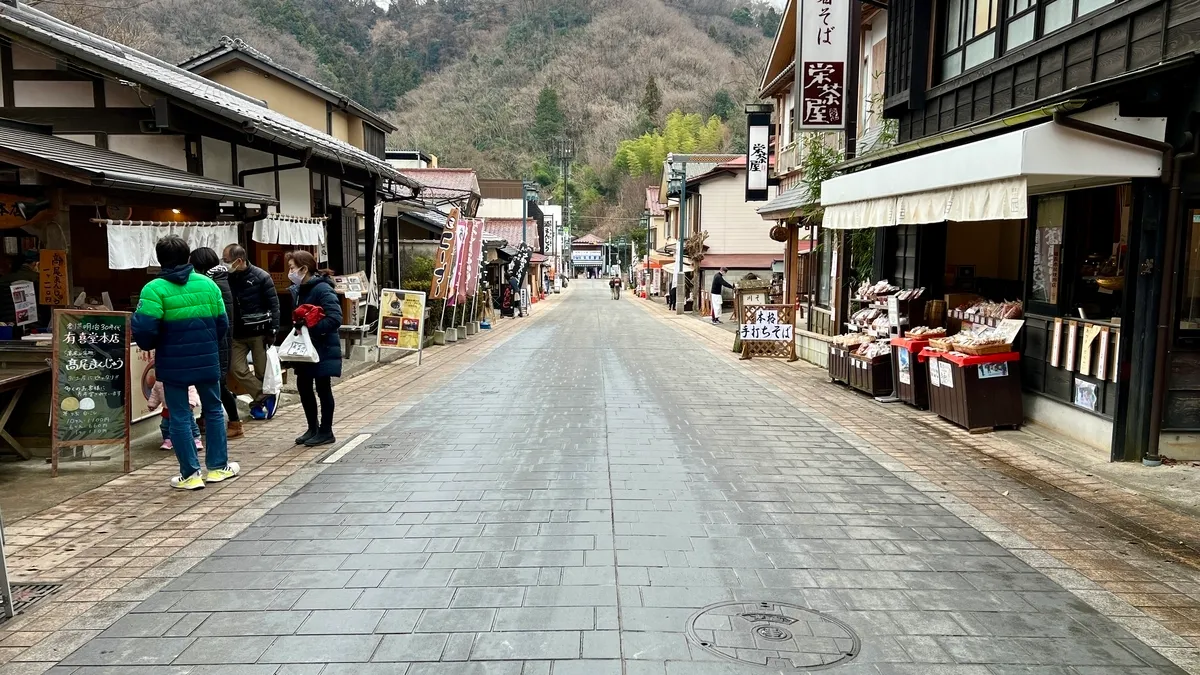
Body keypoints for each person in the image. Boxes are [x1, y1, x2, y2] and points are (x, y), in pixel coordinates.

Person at [133, 235, 238, 490]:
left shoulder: (153, 289)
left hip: (172, 362)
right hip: (206, 358)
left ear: (159, 259)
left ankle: (190, 475)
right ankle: (217, 468)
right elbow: (222, 324)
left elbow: (145, 332)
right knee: (213, 410)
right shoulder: (208, 285)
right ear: (188, 257)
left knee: (179, 415)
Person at [286, 250, 342, 447]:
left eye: (292, 268)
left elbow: (335, 318)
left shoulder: (322, 289)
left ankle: (326, 431)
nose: (290, 272)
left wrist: (312, 329)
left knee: (322, 388)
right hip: (306, 348)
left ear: (304, 268)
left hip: (322, 347)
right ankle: (313, 427)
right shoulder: (299, 289)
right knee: (303, 386)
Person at [222, 244, 280, 421]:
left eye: (226, 261)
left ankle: (257, 406)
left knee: (262, 372)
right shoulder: (224, 277)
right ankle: (265, 396)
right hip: (236, 333)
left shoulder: (261, 277)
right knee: (237, 368)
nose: (224, 264)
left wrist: (273, 329)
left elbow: (274, 304)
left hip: (259, 332)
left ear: (239, 261)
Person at [190, 247, 243, 439]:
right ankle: (205, 419)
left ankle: (235, 423)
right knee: (211, 382)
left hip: (218, 340)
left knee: (218, 384)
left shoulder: (215, 284)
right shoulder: (219, 279)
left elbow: (220, 319)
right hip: (219, 339)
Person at [145, 380, 201, 452]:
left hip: (184, 407)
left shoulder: (184, 376)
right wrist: (152, 404)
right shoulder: (159, 382)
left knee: (190, 423)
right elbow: (155, 394)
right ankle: (168, 439)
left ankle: (196, 439)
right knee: (165, 425)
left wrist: (191, 403)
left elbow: (192, 391)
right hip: (167, 407)